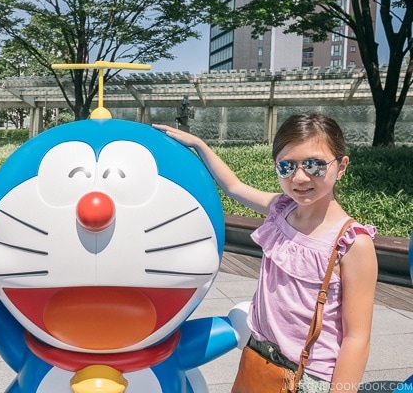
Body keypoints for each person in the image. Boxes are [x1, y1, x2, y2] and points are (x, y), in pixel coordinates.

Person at [153, 112, 377, 393]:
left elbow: (357, 337)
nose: (300, 177)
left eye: (314, 165)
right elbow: (234, 187)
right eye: (287, 166)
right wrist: (200, 144)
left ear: (341, 166)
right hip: (258, 361)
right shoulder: (282, 209)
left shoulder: (352, 243)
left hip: (309, 378)